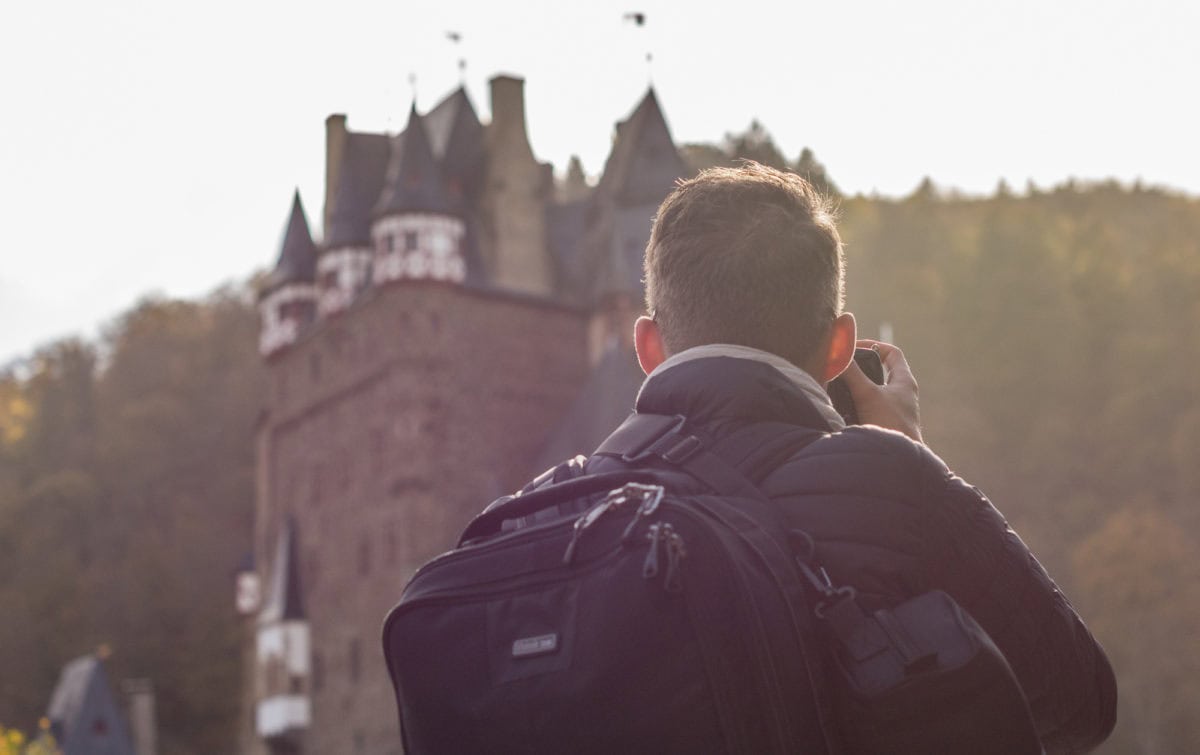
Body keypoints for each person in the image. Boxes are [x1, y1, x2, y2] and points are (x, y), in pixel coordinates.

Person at [533, 163, 1117, 752]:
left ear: (647, 347)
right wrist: (911, 455)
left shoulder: (545, 515)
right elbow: (1081, 704)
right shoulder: (893, 489)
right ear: (840, 346)